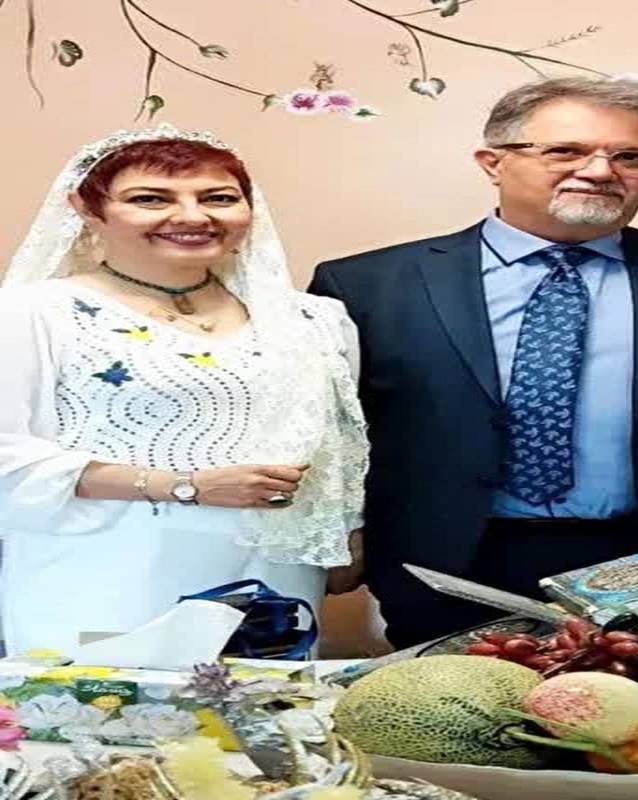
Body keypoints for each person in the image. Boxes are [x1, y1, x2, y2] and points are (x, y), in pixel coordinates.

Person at [310, 77, 638, 648]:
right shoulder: (367, 285)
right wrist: (336, 534)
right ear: (493, 163)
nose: (601, 171)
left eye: (631, 157)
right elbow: (331, 432)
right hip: (447, 556)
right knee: (453, 701)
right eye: (566, 150)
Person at [0, 124, 369, 655]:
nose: (193, 216)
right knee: (116, 703)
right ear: (86, 207)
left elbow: (341, 444)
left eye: (218, 198)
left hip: (274, 572)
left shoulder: (313, 319)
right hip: (106, 568)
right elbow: (8, 454)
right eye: (150, 199)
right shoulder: (35, 313)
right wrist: (185, 485)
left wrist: (347, 532)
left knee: (262, 705)